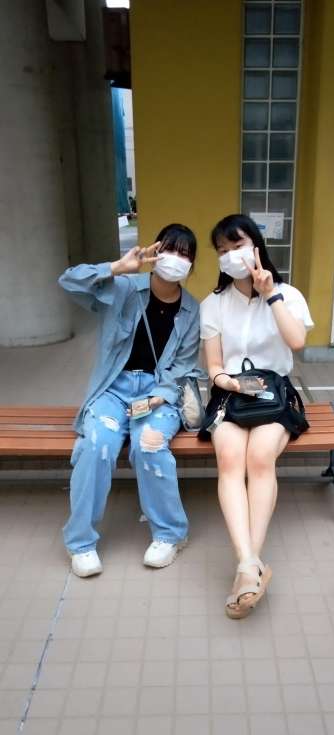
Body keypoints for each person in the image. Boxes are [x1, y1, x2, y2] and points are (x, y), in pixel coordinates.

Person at [58, 223, 200, 577]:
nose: (177, 259)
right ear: (155, 252)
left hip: (157, 391)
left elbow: (184, 365)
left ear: (192, 265)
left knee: (149, 444)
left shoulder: (191, 310)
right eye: (170, 249)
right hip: (113, 388)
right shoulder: (124, 287)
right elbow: (69, 282)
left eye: (185, 254)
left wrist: (160, 397)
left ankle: (170, 534)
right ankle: (80, 543)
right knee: (96, 445)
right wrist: (116, 267)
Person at [200, 214, 314, 619]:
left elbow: (297, 342)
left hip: (275, 395)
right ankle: (249, 565)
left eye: (238, 246)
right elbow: (214, 365)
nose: (231, 255)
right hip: (230, 396)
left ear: (256, 246)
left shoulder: (288, 294)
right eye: (223, 250)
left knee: (260, 457)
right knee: (230, 459)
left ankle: (248, 566)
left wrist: (271, 295)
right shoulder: (213, 303)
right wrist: (228, 382)